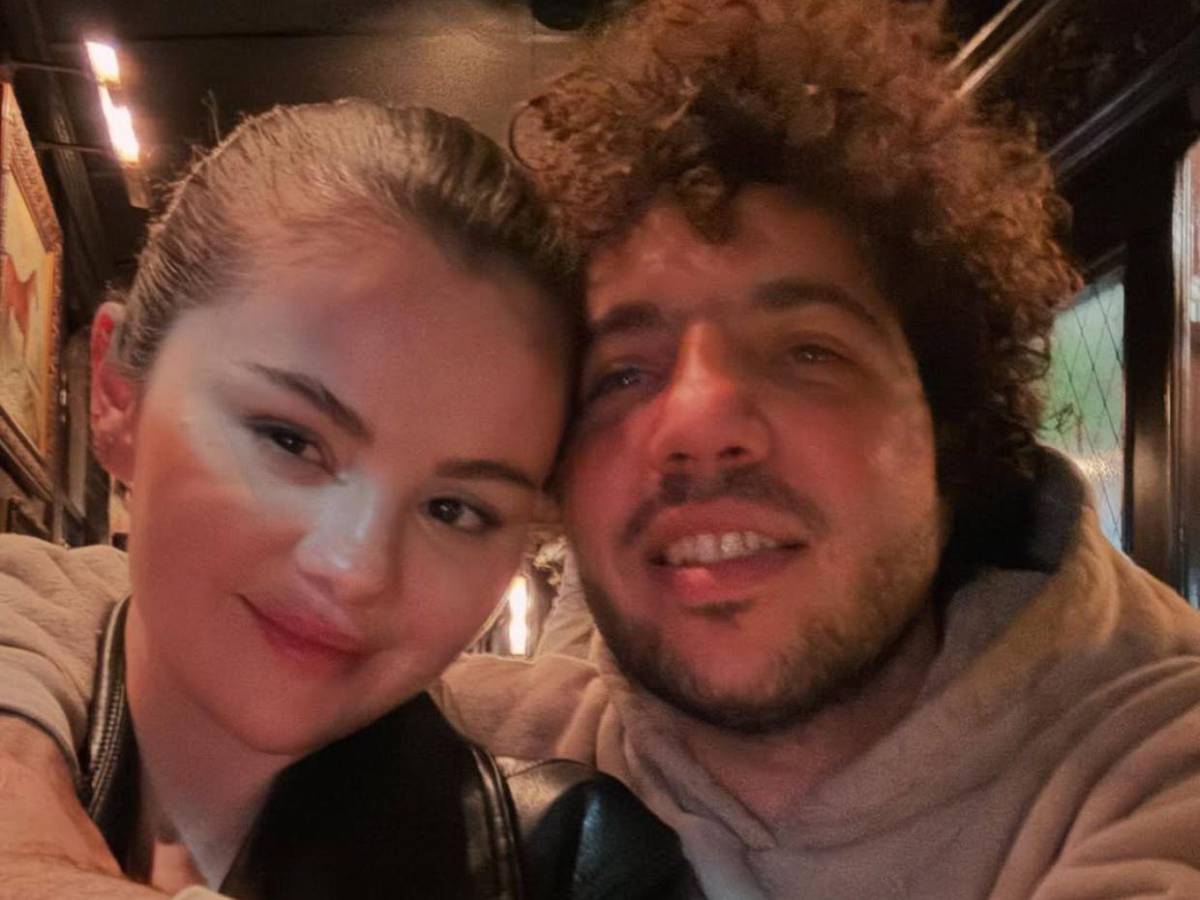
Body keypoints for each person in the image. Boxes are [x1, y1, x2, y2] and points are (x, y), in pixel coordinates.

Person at [5, 0, 1200, 897]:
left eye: (808, 351)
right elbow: (112, 599)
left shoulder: (1154, 769)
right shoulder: (556, 743)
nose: (697, 421)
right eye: (623, 372)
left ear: (950, 423)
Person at [0, 99, 688, 899]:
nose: (356, 569)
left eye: (454, 509)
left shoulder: (569, 859)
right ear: (117, 394)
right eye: (290, 440)